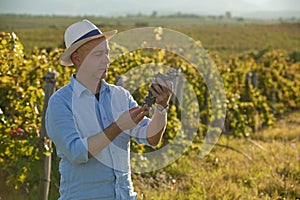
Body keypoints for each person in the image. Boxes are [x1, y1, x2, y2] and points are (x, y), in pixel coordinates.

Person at [46, 19, 173, 199]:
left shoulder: (120, 95)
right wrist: (118, 127)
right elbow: (76, 152)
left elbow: (151, 137)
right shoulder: (60, 102)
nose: (106, 60)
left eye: (107, 53)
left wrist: (161, 107)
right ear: (77, 58)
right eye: (98, 54)